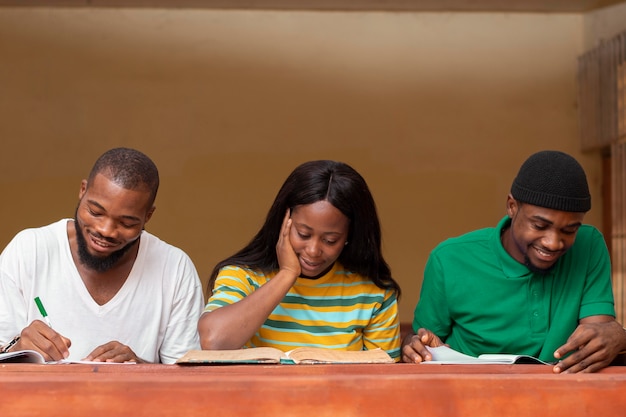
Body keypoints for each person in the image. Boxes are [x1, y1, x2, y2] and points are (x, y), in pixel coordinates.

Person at [402, 150, 626, 373]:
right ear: (512, 206)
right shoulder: (449, 260)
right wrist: (412, 346)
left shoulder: (589, 245)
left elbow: (596, 338)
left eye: (569, 230)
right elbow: (423, 344)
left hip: (564, 398)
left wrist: (619, 335)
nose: (553, 243)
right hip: (472, 398)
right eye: (539, 226)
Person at [0, 147, 204, 364]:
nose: (106, 230)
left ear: (148, 215)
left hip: (133, 399)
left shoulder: (174, 268)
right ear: (83, 190)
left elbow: (187, 380)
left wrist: (140, 367)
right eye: (95, 212)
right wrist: (18, 347)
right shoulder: (29, 250)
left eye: (127, 223)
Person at [198, 160, 402, 361]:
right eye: (303, 234)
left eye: (330, 240)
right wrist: (287, 274)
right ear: (284, 221)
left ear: (350, 236)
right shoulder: (244, 276)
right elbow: (213, 341)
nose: (313, 251)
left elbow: (388, 380)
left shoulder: (374, 293)